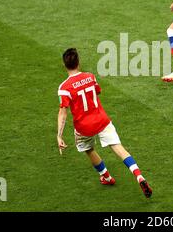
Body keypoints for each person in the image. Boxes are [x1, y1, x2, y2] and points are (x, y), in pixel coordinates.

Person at [57, 48, 152, 198]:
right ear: (79, 62)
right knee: (119, 148)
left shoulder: (64, 88)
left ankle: (106, 177)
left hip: (84, 127)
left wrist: (59, 135)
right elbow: (97, 91)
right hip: (101, 120)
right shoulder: (90, 76)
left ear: (64, 65)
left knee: (88, 149)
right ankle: (138, 175)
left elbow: (63, 112)